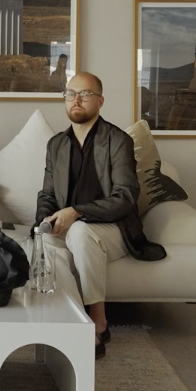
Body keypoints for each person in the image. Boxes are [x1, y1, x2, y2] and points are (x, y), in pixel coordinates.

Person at [36, 72, 165, 359]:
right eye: (70, 94)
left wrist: (76, 212)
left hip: (112, 229)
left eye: (85, 94)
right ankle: (69, 321)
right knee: (41, 244)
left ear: (100, 101)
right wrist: (45, 220)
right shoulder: (56, 144)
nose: (76, 100)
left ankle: (98, 321)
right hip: (69, 228)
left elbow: (126, 197)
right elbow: (47, 194)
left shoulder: (117, 140)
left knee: (80, 232)